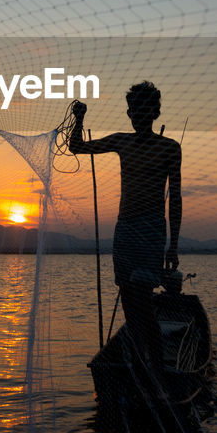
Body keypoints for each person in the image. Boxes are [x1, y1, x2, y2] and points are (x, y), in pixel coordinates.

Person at [69, 81, 182, 397]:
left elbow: (175, 198)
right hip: (125, 230)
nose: (139, 116)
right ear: (129, 113)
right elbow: (76, 147)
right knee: (131, 305)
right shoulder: (122, 142)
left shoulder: (170, 148)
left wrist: (172, 245)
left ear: (155, 111)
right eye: (135, 111)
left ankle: (157, 373)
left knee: (144, 303)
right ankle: (143, 362)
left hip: (150, 231)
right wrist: (79, 118)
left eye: (146, 110)